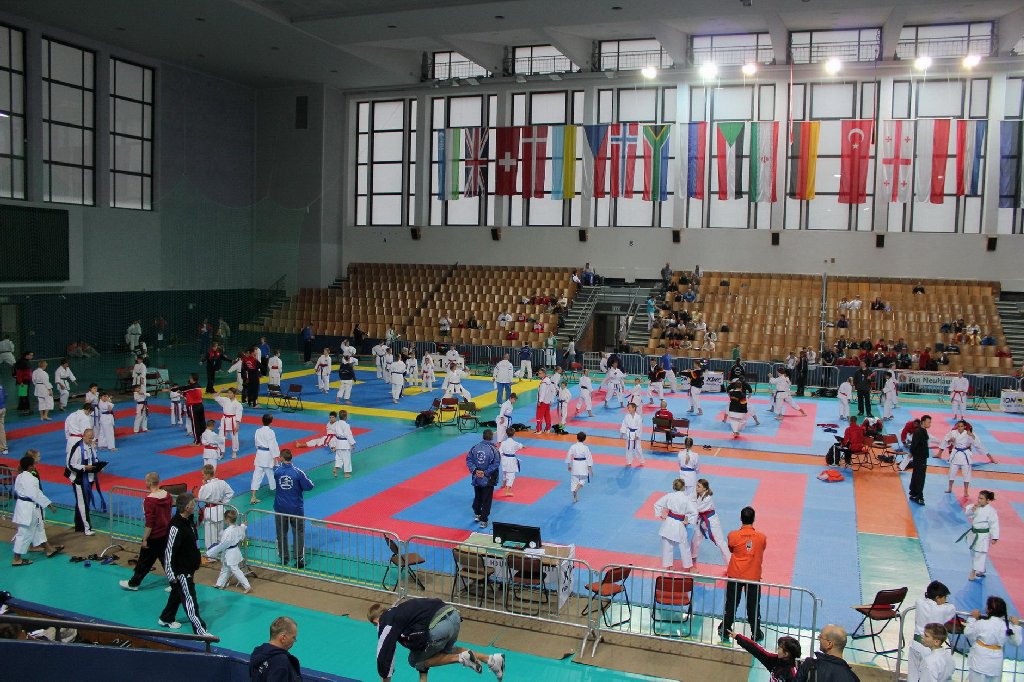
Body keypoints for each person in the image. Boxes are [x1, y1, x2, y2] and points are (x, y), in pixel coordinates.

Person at [368, 598, 505, 681]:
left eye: (375, 626)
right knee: (444, 651)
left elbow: (385, 654)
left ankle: (461, 658)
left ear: (376, 621)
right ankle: (491, 660)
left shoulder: (386, 622)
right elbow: (421, 650)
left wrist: (385, 678)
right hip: (453, 616)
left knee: (414, 661)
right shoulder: (402, 612)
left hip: (440, 627)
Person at [159, 493, 210, 635]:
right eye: (193, 503)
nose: (196, 506)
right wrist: (171, 574)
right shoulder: (175, 526)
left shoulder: (189, 520)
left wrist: (197, 558)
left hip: (189, 566)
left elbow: (194, 541)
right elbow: (169, 552)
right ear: (187, 507)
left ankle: (166, 617)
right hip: (181, 570)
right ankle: (200, 631)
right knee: (190, 599)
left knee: (177, 593)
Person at [120, 472, 173, 591]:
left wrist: (145, 539)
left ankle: (134, 583)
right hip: (166, 533)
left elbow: (150, 523)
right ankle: (175, 583)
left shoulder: (149, 501)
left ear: (149, 483)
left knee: (144, 562)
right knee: (166, 560)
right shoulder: (167, 495)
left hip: (154, 536)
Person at [720, 506, 766, 642]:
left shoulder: (732, 535)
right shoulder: (762, 537)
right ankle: (755, 632)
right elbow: (761, 549)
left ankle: (725, 628)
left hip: (735, 574)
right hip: (753, 576)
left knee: (731, 604)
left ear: (740, 518)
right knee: (753, 606)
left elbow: (731, 549)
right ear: (754, 519)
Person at [11, 455, 62, 566]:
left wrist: (47, 504)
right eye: (34, 464)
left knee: (39, 528)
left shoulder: (20, 476)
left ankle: (49, 549)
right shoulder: (30, 478)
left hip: (26, 506)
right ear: (30, 466)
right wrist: (49, 505)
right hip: (28, 508)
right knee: (24, 533)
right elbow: (35, 495)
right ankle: (16, 559)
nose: (35, 465)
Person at [964, 596, 1021, 682]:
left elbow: (968, 632)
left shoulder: (982, 623)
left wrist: (973, 618)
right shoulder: (1007, 626)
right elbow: (1017, 642)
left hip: (979, 661)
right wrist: (1016, 625)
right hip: (996, 662)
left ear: (989, 610)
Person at [908, 581, 956, 681]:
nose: (945, 600)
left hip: (915, 644)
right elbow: (952, 608)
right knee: (927, 675)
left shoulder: (920, 603)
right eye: (945, 598)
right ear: (938, 597)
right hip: (929, 646)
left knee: (912, 675)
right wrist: (943, 604)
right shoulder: (943, 609)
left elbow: (922, 600)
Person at [274, 449, 314, 569]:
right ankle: (299, 559)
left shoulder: (277, 471)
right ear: (291, 457)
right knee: (298, 533)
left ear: (281, 458)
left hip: (280, 507)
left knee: (281, 533)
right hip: (295, 508)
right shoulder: (298, 472)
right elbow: (309, 486)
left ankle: (283, 558)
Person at [653, 478, 698, 570]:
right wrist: (688, 521)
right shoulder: (686, 499)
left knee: (667, 546)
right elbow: (694, 512)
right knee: (684, 546)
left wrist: (661, 515)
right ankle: (689, 567)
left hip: (668, 522)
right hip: (679, 524)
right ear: (684, 487)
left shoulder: (669, 496)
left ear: (674, 487)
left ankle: (669, 566)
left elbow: (657, 504)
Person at [727, 629, 801, 682]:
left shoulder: (793, 674)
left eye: (779, 648)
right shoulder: (774, 660)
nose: (777, 649)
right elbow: (757, 650)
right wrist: (738, 637)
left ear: (786, 654)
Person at [66, 428, 101, 535]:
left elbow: (94, 459)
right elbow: (71, 465)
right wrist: (84, 467)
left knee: (84, 502)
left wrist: (99, 465)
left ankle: (79, 525)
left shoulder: (91, 446)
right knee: (83, 504)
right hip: (80, 479)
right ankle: (87, 528)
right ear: (83, 436)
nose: (91, 439)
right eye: (89, 438)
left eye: (92, 438)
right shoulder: (77, 448)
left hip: (90, 478)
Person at [794, 625, 859, 681]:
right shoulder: (853, 678)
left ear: (829, 644)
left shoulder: (810, 666)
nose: (818, 638)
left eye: (820, 637)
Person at [962, 490, 1000, 582]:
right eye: (979, 498)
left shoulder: (991, 511)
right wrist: (972, 510)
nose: (979, 500)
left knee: (980, 553)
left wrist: (994, 537)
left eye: (982, 499)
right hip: (974, 534)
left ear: (988, 500)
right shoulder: (975, 507)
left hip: (983, 536)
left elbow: (994, 524)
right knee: (974, 553)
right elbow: (967, 514)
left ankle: (973, 571)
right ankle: (981, 570)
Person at [466, 430, 500, 529]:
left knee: (478, 496)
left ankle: (477, 514)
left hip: (476, 477)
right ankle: (484, 520)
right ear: (492, 437)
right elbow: (496, 463)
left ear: (483, 436)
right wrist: (485, 472)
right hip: (488, 479)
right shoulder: (494, 449)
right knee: (487, 499)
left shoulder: (475, 448)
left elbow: (469, 460)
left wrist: (475, 470)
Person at [250, 616, 301, 681]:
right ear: (283, 638)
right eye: (293, 637)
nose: (295, 641)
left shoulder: (258, 651)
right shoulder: (281, 662)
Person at [197, 464, 234, 551]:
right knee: (220, 533)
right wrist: (223, 502)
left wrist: (203, 485)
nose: (202, 476)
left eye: (203, 474)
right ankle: (220, 551)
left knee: (210, 537)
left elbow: (201, 497)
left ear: (207, 475)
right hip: (220, 510)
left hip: (211, 512)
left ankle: (211, 554)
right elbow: (230, 493)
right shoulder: (222, 482)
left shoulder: (208, 486)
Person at [251, 413, 281, 505]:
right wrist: (276, 456)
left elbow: (256, 443)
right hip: (268, 456)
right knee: (271, 475)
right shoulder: (270, 432)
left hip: (259, 454)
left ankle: (253, 497)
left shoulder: (258, 431)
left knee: (256, 476)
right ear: (271, 422)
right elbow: (273, 445)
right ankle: (278, 493)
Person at [908, 414, 932, 506]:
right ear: (923, 422)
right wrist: (911, 453)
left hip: (920, 456)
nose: (930, 424)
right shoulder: (919, 432)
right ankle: (919, 496)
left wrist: (912, 453)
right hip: (920, 457)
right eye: (928, 422)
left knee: (916, 475)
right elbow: (914, 444)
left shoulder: (922, 431)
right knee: (920, 477)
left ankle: (913, 493)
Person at [566, 431, 593, 503]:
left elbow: (569, 455)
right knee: (583, 480)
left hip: (575, 464)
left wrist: (569, 465)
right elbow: (589, 458)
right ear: (584, 439)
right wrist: (590, 468)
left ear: (577, 438)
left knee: (574, 481)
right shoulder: (585, 448)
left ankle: (575, 497)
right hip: (583, 464)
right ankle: (576, 489)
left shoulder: (573, 446)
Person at [499, 427, 524, 497]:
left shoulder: (503, 442)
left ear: (506, 434)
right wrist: (523, 446)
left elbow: (500, 451)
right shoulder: (515, 443)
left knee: (505, 472)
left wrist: (500, 458)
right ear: (514, 434)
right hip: (511, 460)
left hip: (504, 459)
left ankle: (503, 484)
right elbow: (520, 446)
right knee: (511, 475)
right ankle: (507, 491)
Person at [620, 402, 645, 467]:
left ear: (634, 408)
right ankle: (629, 462)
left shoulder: (638, 417)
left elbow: (640, 427)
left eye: (629, 407)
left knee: (638, 448)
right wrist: (622, 433)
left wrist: (637, 435)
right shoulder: (627, 416)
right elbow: (624, 425)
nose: (628, 409)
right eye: (628, 408)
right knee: (629, 448)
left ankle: (641, 461)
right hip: (629, 433)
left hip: (636, 433)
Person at [333, 410, 356, 478]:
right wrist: (352, 443)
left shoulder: (336, 424)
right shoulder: (346, 425)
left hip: (338, 443)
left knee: (339, 458)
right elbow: (348, 435)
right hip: (345, 444)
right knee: (347, 459)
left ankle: (336, 468)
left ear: (338, 416)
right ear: (346, 417)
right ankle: (346, 473)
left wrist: (334, 445)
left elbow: (335, 434)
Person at [534, 368, 555, 434]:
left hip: (543, 402)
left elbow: (542, 393)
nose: (539, 374)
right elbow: (553, 391)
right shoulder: (549, 380)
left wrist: (540, 401)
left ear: (544, 374)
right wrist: (551, 400)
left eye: (540, 373)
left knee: (539, 416)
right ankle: (548, 429)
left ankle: (539, 430)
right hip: (547, 401)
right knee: (547, 415)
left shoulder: (544, 382)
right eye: (538, 373)